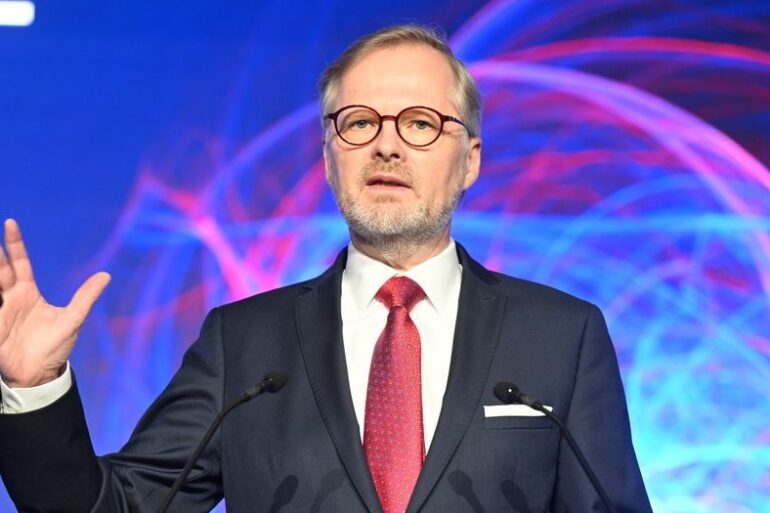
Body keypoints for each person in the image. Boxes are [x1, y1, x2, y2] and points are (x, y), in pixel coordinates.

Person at [0, 25, 653, 513]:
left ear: (471, 160)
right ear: (329, 156)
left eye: (421, 123)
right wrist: (33, 388)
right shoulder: (242, 344)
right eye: (359, 123)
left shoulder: (560, 338)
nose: (387, 144)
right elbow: (115, 506)